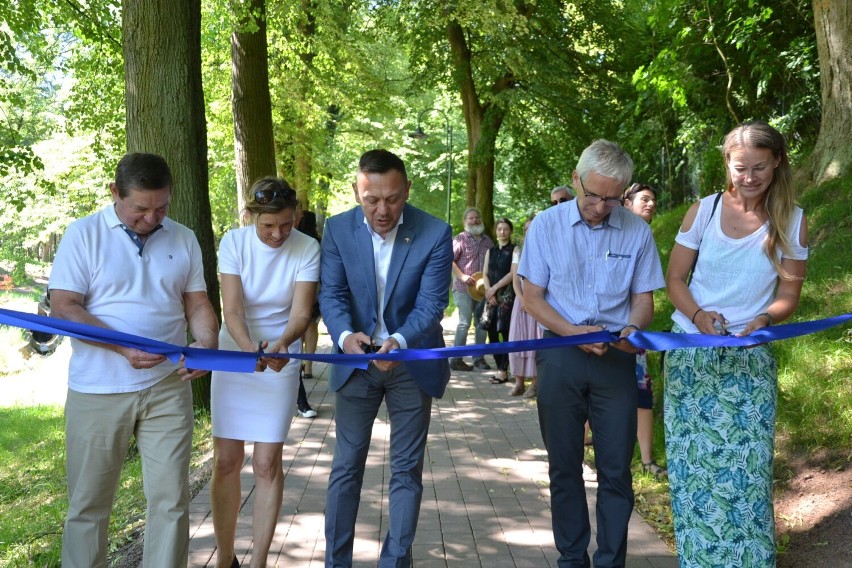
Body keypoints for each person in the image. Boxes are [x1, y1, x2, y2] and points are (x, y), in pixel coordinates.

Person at [49, 152, 219, 567]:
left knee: (171, 501)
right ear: (114, 193)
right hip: (98, 390)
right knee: (88, 504)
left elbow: (196, 302)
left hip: (166, 388)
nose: (152, 217)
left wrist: (206, 343)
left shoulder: (183, 237)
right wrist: (122, 347)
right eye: (141, 208)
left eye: (162, 207)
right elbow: (64, 306)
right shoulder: (83, 234)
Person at [663, 121, 808, 567]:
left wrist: (764, 318)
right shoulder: (702, 211)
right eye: (740, 167)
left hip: (748, 364)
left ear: (777, 161)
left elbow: (789, 296)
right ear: (727, 164)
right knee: (694, 480)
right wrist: (699, 315)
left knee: (747, 478)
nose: (749, 177)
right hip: (692, 360)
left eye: (759, 167)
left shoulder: (793, 218)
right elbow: (674, 280)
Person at [519, 139, 664, 567]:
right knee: (564, 466)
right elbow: (532, 298)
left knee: (616, 469)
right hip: (559, 354)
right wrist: (573, 333)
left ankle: (610, 560)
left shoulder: (636, 230)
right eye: (593, 195)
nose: (600, 207)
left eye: (612, 198)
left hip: (616, 357)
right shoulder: (545, 226)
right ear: (574, 180)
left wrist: (633, 328)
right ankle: (571, 558)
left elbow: (644, 300)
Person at [320, 149, 453, 567]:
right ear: (356, 191)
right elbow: (332, 294)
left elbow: (432, 304)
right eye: (371, 199)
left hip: (410, 363)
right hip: (355, 363)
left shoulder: (435, 232)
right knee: (346, 467)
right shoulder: (338, 229)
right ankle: (336, 561)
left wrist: (397, 339)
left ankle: (395, 561)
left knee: (406, 469)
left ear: (407, 190)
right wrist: (343, 336)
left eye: (392, 199)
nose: (382, 210)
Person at [210, 177, 320, 568]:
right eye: (268, 226)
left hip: (280, 355)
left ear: (297, 217)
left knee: (266, 464)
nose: (277, 234)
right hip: (236, 352)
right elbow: (233, 310)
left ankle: (258, 560)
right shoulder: (233, 243)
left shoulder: (308, 248)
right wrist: (247, 350)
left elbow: (302, 314)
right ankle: (225, 558)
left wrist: (282, 343)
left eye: (286, 225)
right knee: (226, 461)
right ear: (250, 217)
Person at [622, 183, 666, 478]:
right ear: (626, 203)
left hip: (634, 331)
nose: (650, 204)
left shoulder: (645, 236)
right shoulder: (615, 232)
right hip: (603, 329)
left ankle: (647, 460)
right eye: (644, 199)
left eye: (653, 200)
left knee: (641, 392)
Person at [449, 207, 493, 371]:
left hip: (483, 290)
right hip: (463, 288)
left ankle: (479, 359)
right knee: (464, 322)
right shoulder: (460, 239)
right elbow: (450, 260)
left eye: (477, 217)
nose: (475, 220)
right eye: (471, 218)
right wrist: (462, 276)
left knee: (482, 324)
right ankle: (456, 359)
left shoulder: (488, 241)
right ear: (465, 221)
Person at [508, 214, 542, 397]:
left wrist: (532, 302)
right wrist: (522, 300)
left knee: (536, 341)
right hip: (520, 303)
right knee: (517, 340)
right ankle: (519, 382)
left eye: (533, 227)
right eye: (526, 228)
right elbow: (515, 279)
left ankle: (535, 384)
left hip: (538, 303)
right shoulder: (518, 251)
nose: (529, 231)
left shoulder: (545, 248)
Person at [293, 200, 321, 419]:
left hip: (306, 299)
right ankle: (307, 367)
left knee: (307, 327)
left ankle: (301, 399)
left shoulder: (311, 245)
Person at [482, 217, 516, 384]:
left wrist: (495, 289)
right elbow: (485, 273)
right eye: (499, 229)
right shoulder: (491, 251)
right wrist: (489, 291)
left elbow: (512, 274)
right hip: (491, 297)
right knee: (492, 332)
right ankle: (499, 368)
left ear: (510, 231)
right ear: (495, 231)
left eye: (505, 229)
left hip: (507, 296)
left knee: (505, 332)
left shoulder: (514, 250)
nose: (502, 232)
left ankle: (503, 370)